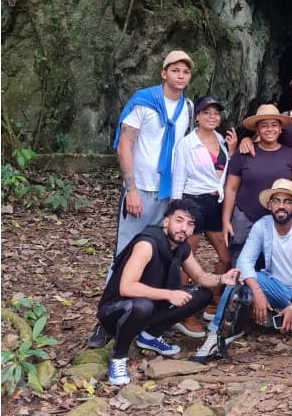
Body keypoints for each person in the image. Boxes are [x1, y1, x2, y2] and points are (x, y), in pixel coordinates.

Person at [89, 50, 196, 349]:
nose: (180, 76)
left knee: (162, 252)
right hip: (142, 190)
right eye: (175, 70)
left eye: (185, 72)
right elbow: (124, 145)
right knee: (124, 253)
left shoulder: (187, 108)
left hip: (167, 194)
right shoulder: (144, 101)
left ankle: (148, 318)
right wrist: (131, 189)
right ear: (164, 73)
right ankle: (106, 320)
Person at [96, 199, 240, 386]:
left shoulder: (181, 247)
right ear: (166, 221)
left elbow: (200, 276)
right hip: (117, 310)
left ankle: (150, 335)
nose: (184, 228)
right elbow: (127, 287)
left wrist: (222, 279)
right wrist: (169, 294)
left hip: (151, 305)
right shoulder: (147, 244)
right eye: (179, 221)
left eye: (190, 224)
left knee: (203, 294)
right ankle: (118, 357)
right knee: (142, 306)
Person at [192, 179, 292, 362]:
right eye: (276, 201)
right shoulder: (262, 226)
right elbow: (244, 261)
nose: (281, 206)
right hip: (275, 287)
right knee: (236, 278)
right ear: (269, 205)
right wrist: (257, 292)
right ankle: (216, 334)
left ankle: (289, 318)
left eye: (287, 201)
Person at [171, 96, 238, 338]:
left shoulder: (220, 140)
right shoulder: (187, 144)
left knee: (225, 254)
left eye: (215, 113)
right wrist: (177, 213)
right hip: (193, 202)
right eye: (206, 112)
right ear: (197, 116)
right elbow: (178, 177)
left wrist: (232, 151)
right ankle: (184, 311)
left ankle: (214, 299)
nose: (212, 116)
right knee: (186, 257)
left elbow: (224, 173)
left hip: (215, 203)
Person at [222, 104, 292, 267]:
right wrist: (226, 221)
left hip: (279, 218)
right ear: (257, 129)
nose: (269, 129)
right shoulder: (244, 153)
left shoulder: (291, 155)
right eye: (264, 125)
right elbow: (231, 188)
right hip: (246, 216)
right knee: (241, 261)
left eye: (274, 125)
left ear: (280, 129)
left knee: (275, 263)